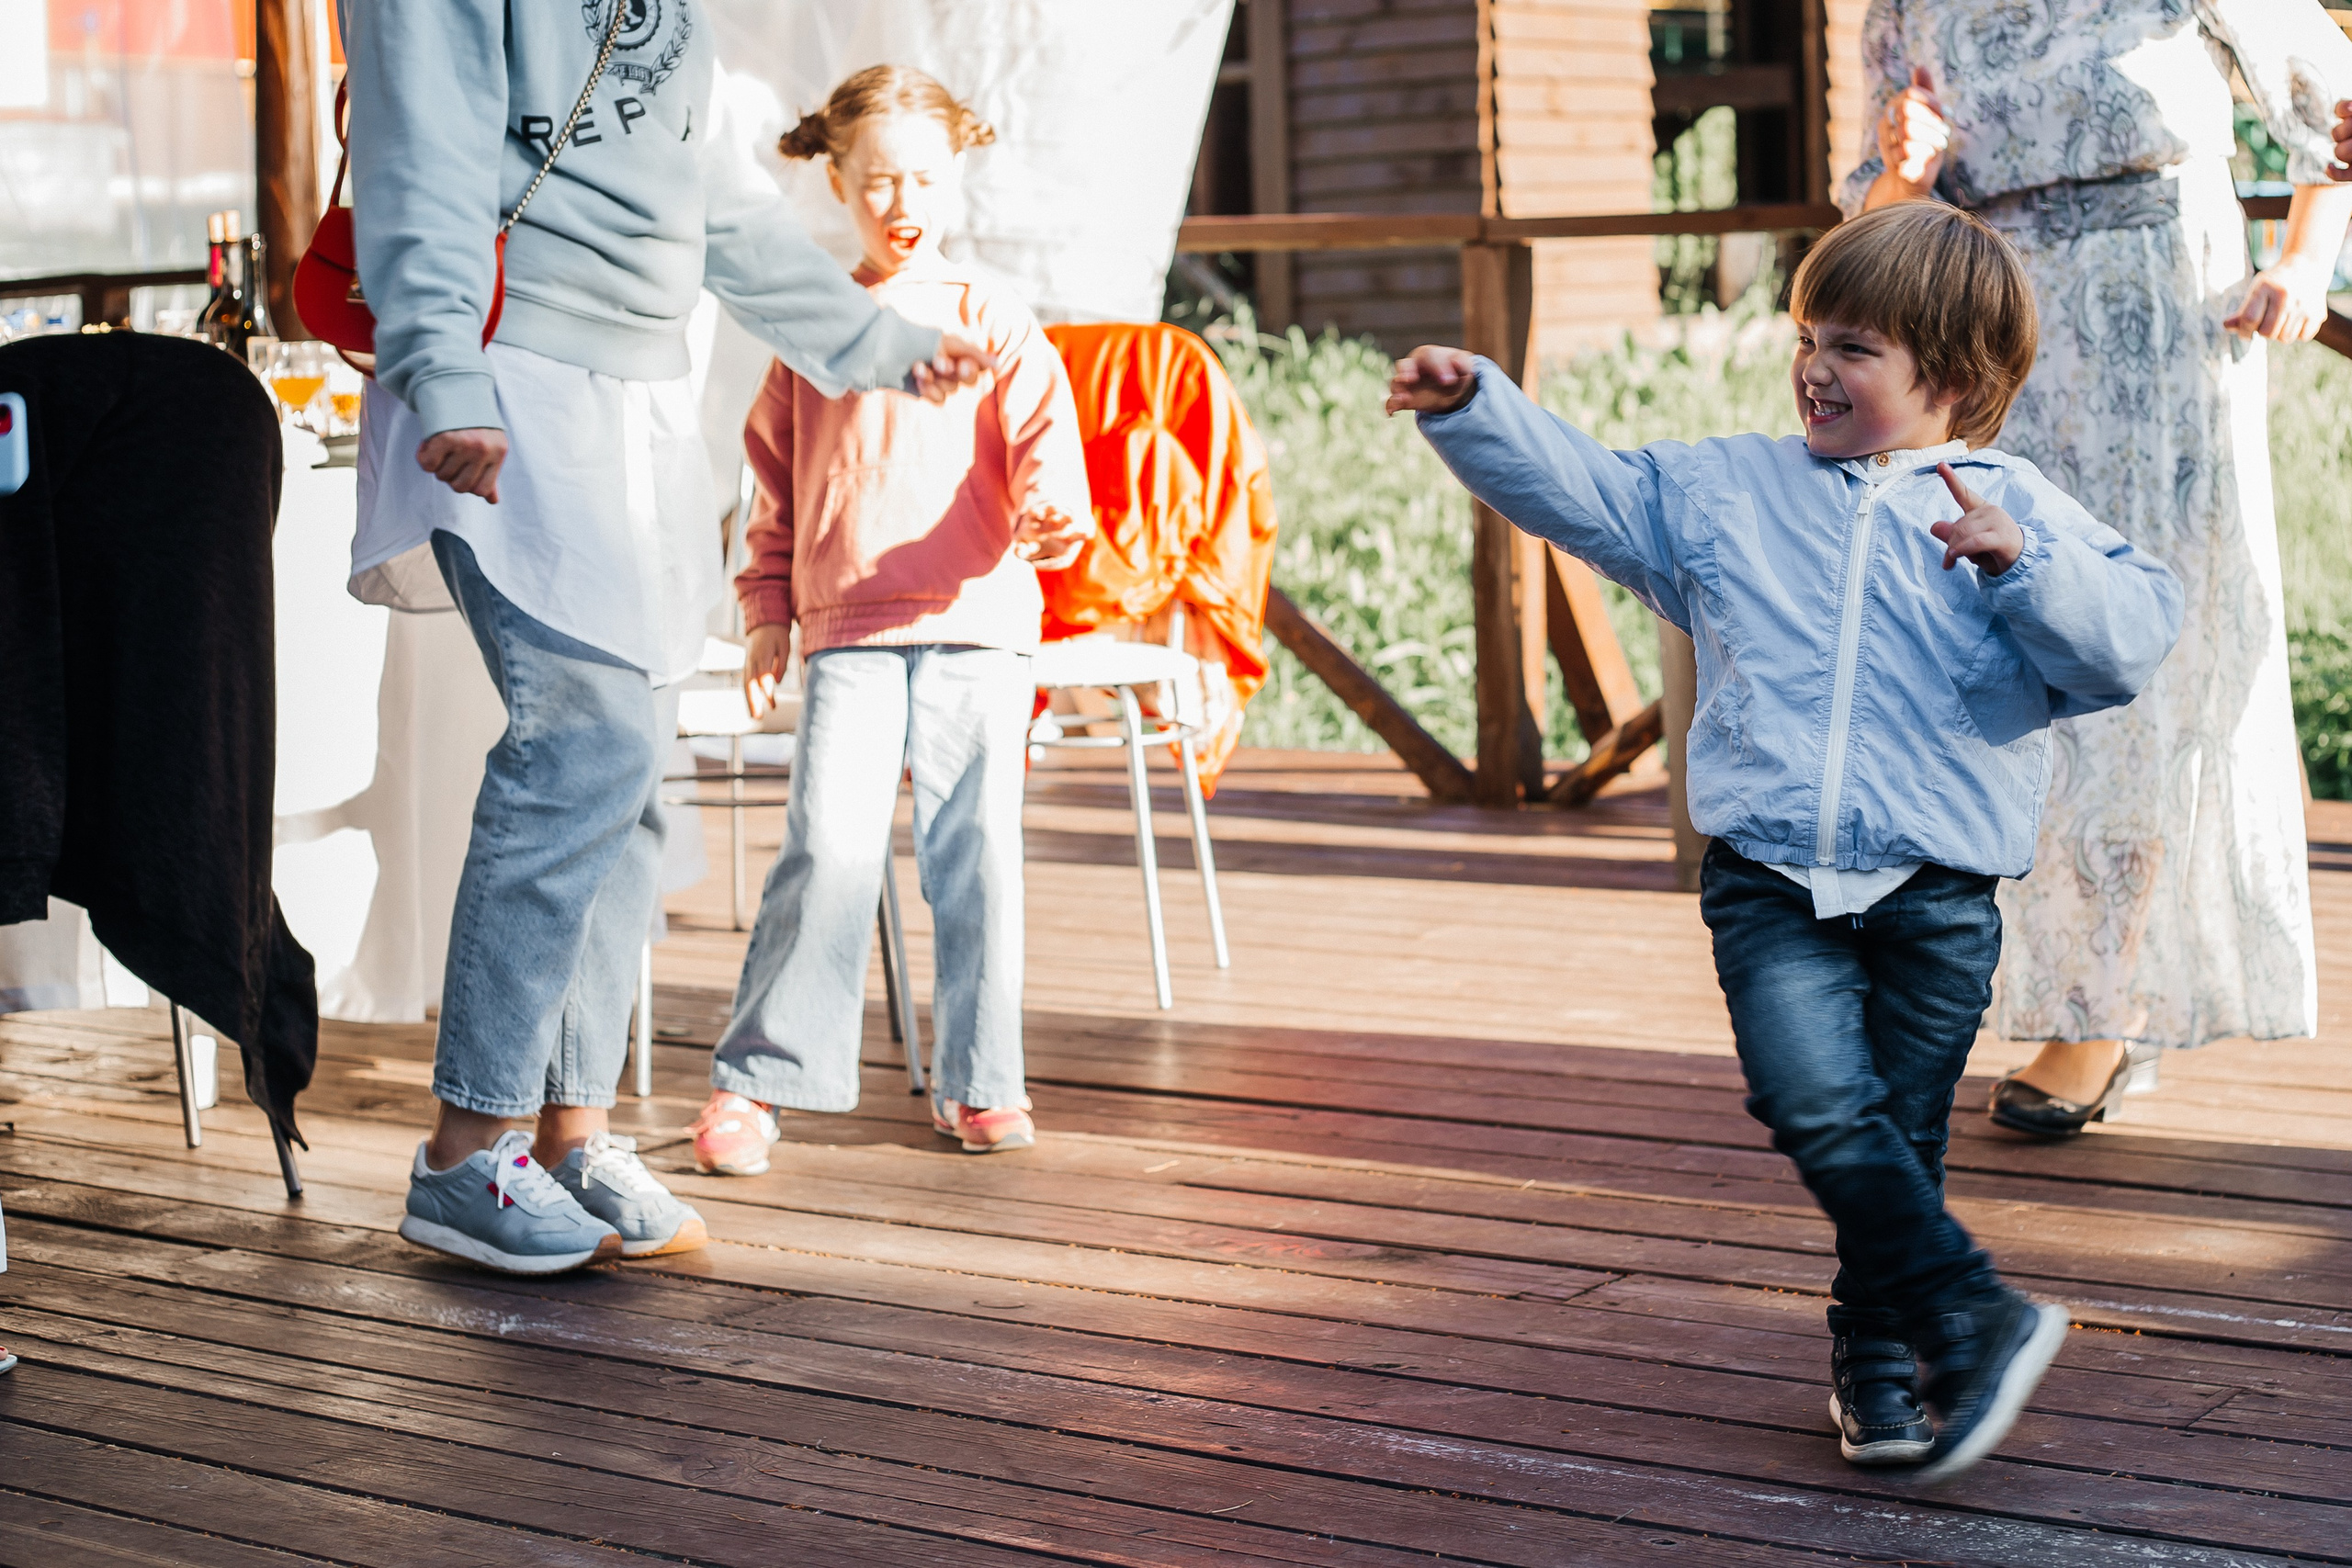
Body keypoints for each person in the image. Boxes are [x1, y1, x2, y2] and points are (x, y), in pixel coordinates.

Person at [1387, 202, 2183, 1480]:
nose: (1815, 362)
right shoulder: (1724, 494)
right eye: (1808, 333)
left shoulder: (2010, 504)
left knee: (1899, 1138)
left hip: (1936, 893)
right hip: (1770, 880)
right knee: (1813, 1097)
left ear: (1956, 382)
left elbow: (2129, 639)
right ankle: (1972, 1310)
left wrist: (2023, 564)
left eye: (1855, 345)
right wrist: (1475, 404)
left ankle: (1880, 1353)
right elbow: (1584, 489)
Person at [343, 2, 996, 1275]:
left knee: (632, 775)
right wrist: (445, 371)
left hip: (629, 399)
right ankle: (464, 1152)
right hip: (506, 370)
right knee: (577, 743)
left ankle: (568, 1136)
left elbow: (716, 202)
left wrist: (878, 344)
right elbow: (421, 150)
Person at [1850, 2, 2352, 1135]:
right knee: (1989, 663)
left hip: (2162, 333)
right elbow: (1870, 217)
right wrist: (1900, 171)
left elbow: (2336, 108)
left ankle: (2097, 1016)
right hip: (1984, 338)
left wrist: (2303, 263)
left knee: (2134, 663)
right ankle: (1999, 989)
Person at [687, 67, 1091, 1176]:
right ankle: (756, 1085)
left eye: (920, 178)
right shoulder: (818, 325)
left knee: (975, 856)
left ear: (955, 174)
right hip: (849, 629)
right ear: (836, 181)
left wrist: (1056, 519)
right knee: (826, 848)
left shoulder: (995, 318)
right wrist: (766, 607)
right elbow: (769, 477)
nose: (899, 201)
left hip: (978, 622)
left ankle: (981, 1084)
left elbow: (1048, 453)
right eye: (876, 181)